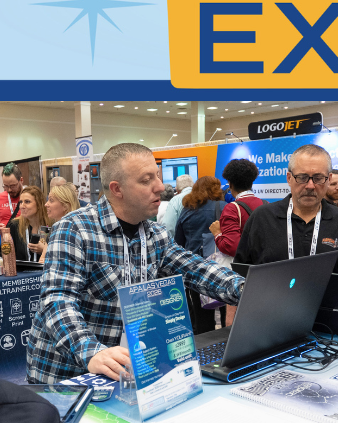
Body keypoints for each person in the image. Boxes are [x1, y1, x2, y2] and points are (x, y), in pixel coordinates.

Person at [26, 143, 244, 384]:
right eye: (146, 180)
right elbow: (58, 301)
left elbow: (197, 269)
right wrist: (91, 351)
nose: (160, 186)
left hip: (125, 371)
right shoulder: (74, 229)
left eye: (157, 177)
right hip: (68, 375)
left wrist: (246, 289)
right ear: (117, 189)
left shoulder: (155, 235)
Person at [234, 145, 338, 308]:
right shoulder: (261, 218)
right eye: (302, 177)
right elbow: (239, 278)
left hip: (331, 323)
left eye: (318, 178)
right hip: (270, 320)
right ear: (289, 178)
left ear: (329, 179)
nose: (310, 185)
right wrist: (231, 322)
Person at [210, 159, 265, 326]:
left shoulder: (232, 208)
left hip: (239, 274)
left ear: (230, 183)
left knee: (233, 320)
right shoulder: (265, 205)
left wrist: (217, 233)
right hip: (262, 270)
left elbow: (233, 247)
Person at [174, 177, 225, 332]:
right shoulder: (223, 207)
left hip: (195, 268)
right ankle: (225, 342)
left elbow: (178, 241)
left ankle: (206, 345)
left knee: (201, 315)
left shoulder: (187, 210)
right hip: (220, 267)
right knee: (226, 309)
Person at [7, 187, 47, 263]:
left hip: (43, 269)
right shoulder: (14, 225)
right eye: (21, 202)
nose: (22, 206)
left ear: (39, 204)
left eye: (27, 202)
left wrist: (45, 250)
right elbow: (6, 254)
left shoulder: (49, 225)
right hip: (21, 270)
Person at [0, 164, 22, 228]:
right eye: (6, 186)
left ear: (21, 180)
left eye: (13, 186)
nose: (9, 190)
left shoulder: (29, 198)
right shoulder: (0, 197)